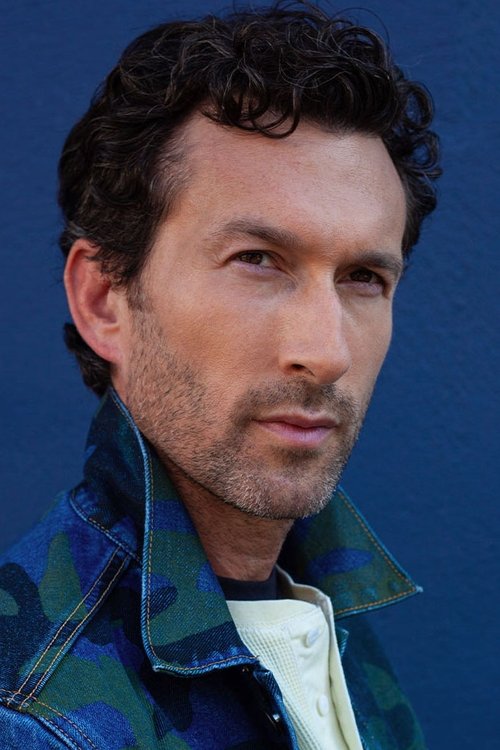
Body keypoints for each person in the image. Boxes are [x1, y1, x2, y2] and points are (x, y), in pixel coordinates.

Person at [0, 3, 440, 748]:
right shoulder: (34, 719)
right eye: (257, 260)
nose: (327, 352)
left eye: (363, 277)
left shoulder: (324, 608)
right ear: (104, 300)